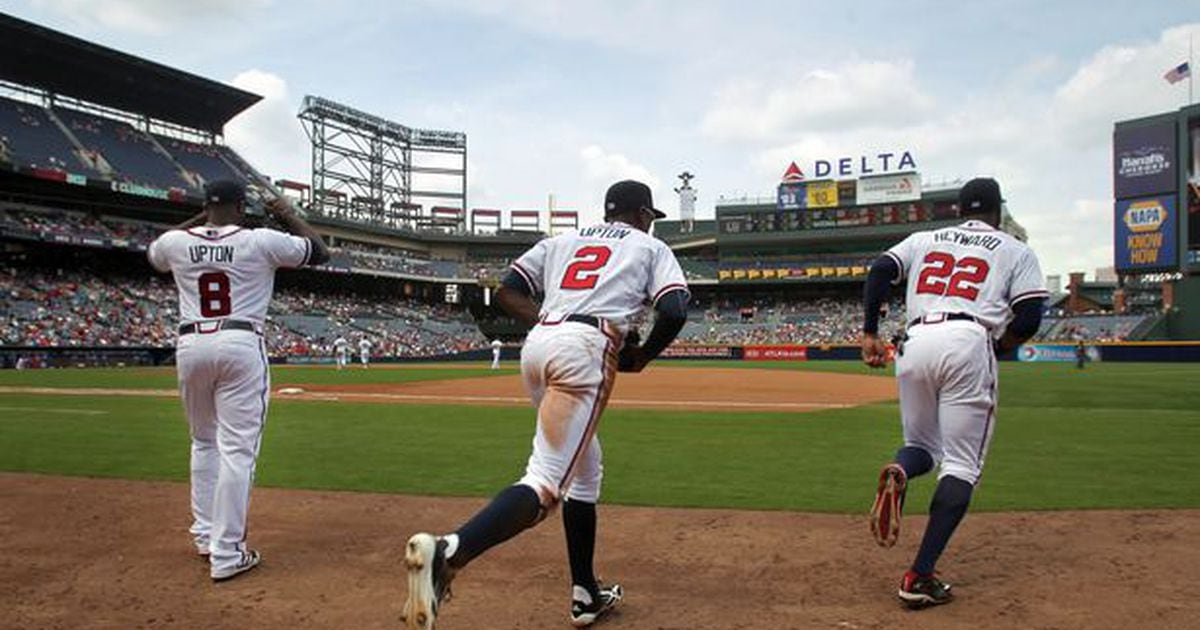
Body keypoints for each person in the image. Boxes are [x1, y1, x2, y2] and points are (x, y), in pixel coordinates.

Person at [402, 180, 691, 629]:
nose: (649, 225)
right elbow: (673, 310)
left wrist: (552, 321)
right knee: (545, 481)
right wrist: (643, 356)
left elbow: (507, 291)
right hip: (585, 348)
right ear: (641, 215)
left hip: (539, 344)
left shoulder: (562, 240)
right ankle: (449, 552)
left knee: (586, 468)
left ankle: (585, 593)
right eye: (650, 217)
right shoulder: (649, 247)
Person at [860, 177, 1048, 608]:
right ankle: (919, 575)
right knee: (962, 465)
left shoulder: (924, 238)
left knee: (921, 446)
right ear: (997, 212)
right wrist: (1001, 346)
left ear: (959, 210)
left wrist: (870, 331)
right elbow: (1030, 315)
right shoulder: (1015, 249)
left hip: (915, 340)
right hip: (968, 336)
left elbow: (879, 271)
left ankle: (901, 471)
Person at [147, 180, 329, 581]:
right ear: (241, 208)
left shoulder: (177, 243)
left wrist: (202, 221)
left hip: (191, 342)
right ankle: (226, 553)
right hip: (240, 340)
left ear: (207, 207)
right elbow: (319, 251)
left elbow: (154, 254)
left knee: (202, 442)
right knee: (237, 450)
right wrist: (285, 213)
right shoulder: (258, 240)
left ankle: (204, 535)